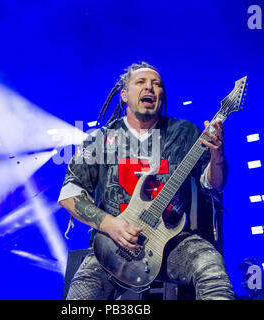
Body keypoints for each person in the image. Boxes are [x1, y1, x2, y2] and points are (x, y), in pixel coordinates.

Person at [58, 61, 235, 300]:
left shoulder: (184, 133)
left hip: (172, 243)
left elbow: (215, 184)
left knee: (210, 264)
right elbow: (70, 194)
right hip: (112, 246)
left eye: (157, 84)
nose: (150, 88)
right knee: (79, 296)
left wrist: (218, 154)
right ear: (124, 95)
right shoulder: (100, 139)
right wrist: (111, 225)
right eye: (140, 82)